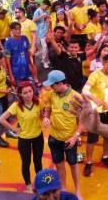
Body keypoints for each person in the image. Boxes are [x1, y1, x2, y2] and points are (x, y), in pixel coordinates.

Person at [42, 70, 82, 199]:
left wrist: (75, 136)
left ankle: (77, 191)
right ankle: (63, 189)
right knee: (59, 165)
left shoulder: (76, 97)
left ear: (60, 83)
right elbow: (48, 109)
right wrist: (46, 117)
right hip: (54, 137)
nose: (50, 87)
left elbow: (83, 120)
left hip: (69, 139)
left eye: (52, 85)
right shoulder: (52, 94)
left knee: (73, 166)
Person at [0, 81, 44, 191]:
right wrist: (14, 129)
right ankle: (28, 184)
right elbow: (1, 119)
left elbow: (43, 115)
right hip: (24, 139)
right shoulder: (16, 106)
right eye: (25, 93)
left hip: (38, 137)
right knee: (26, 162)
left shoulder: (39, 102)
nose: (28, 94)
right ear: (20, 94)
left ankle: (39, 183)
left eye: (30, 91)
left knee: (38, 161)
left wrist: (45, 119)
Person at [82, 53, 108, 176]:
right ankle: (89, 162)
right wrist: (94, 99)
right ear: (103, 64)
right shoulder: (95, 75)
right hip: (96, 113)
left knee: (107, 136)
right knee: (92, 139)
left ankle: (106, 157)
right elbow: (85, 90)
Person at [4, 22, 33, 88]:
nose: (18, 31)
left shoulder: (25, 38)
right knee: (19, 92)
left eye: (19, 29)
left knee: (30, 90)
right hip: (16, 72)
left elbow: (29, 53)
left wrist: (31, 65)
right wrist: (11, 75)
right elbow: (7, 61)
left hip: (27, 70)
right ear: (11, 30)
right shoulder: (8, 43)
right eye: (16, 29)